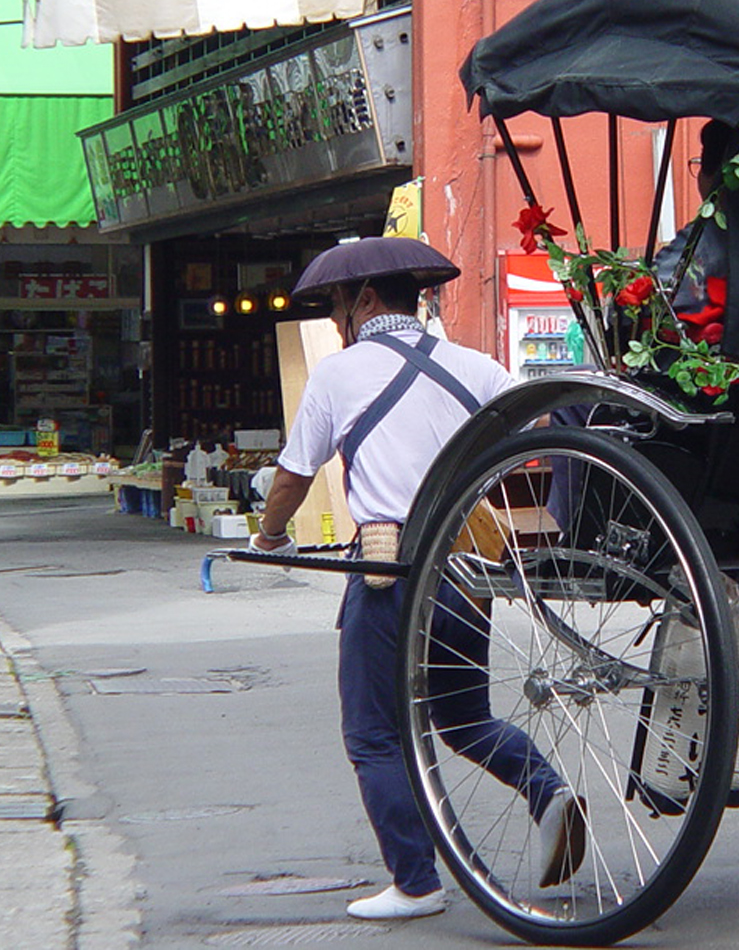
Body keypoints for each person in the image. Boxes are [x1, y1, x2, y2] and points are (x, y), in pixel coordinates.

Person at [248, 237, 585, 921]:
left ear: (367, 297)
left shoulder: (340, 374)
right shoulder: (473, 365)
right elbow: (540, 424)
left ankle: (415, 880)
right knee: (463, 718)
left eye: (341, 303)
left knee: (374, 732)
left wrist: (269, 534)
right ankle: (547, 790)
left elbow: (293, 474)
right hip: (465, 571)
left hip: (389, 573)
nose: (338, 317)